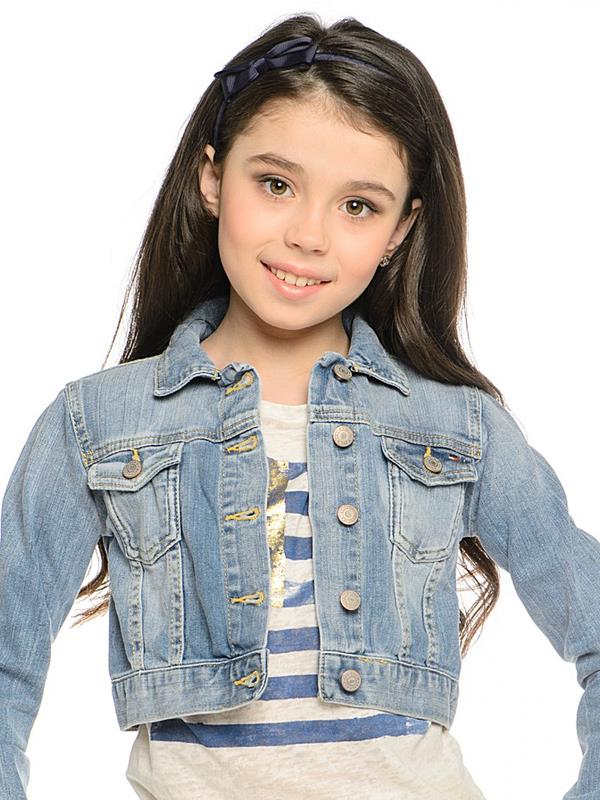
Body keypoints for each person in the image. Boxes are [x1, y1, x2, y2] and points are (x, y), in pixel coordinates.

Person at [1, 12, 599, 800]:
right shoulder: (97, 425)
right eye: (276, 184)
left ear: (401, 228)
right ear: (212, 179)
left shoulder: (458, 428)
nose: (309, 236)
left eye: (359, 206)